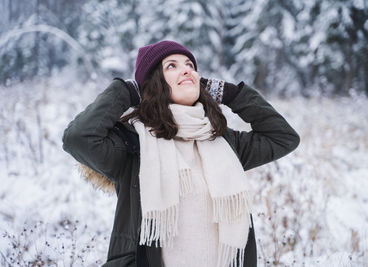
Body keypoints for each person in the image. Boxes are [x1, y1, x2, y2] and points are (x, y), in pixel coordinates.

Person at [62, 40, 300, 267]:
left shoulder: (224, 141)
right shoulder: (133, 145)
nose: (187, 71)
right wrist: (126, 91)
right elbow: (78, 138)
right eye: (172, 66)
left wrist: (232, 95)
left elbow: (283, 138)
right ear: (153, 83)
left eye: (190, 66)